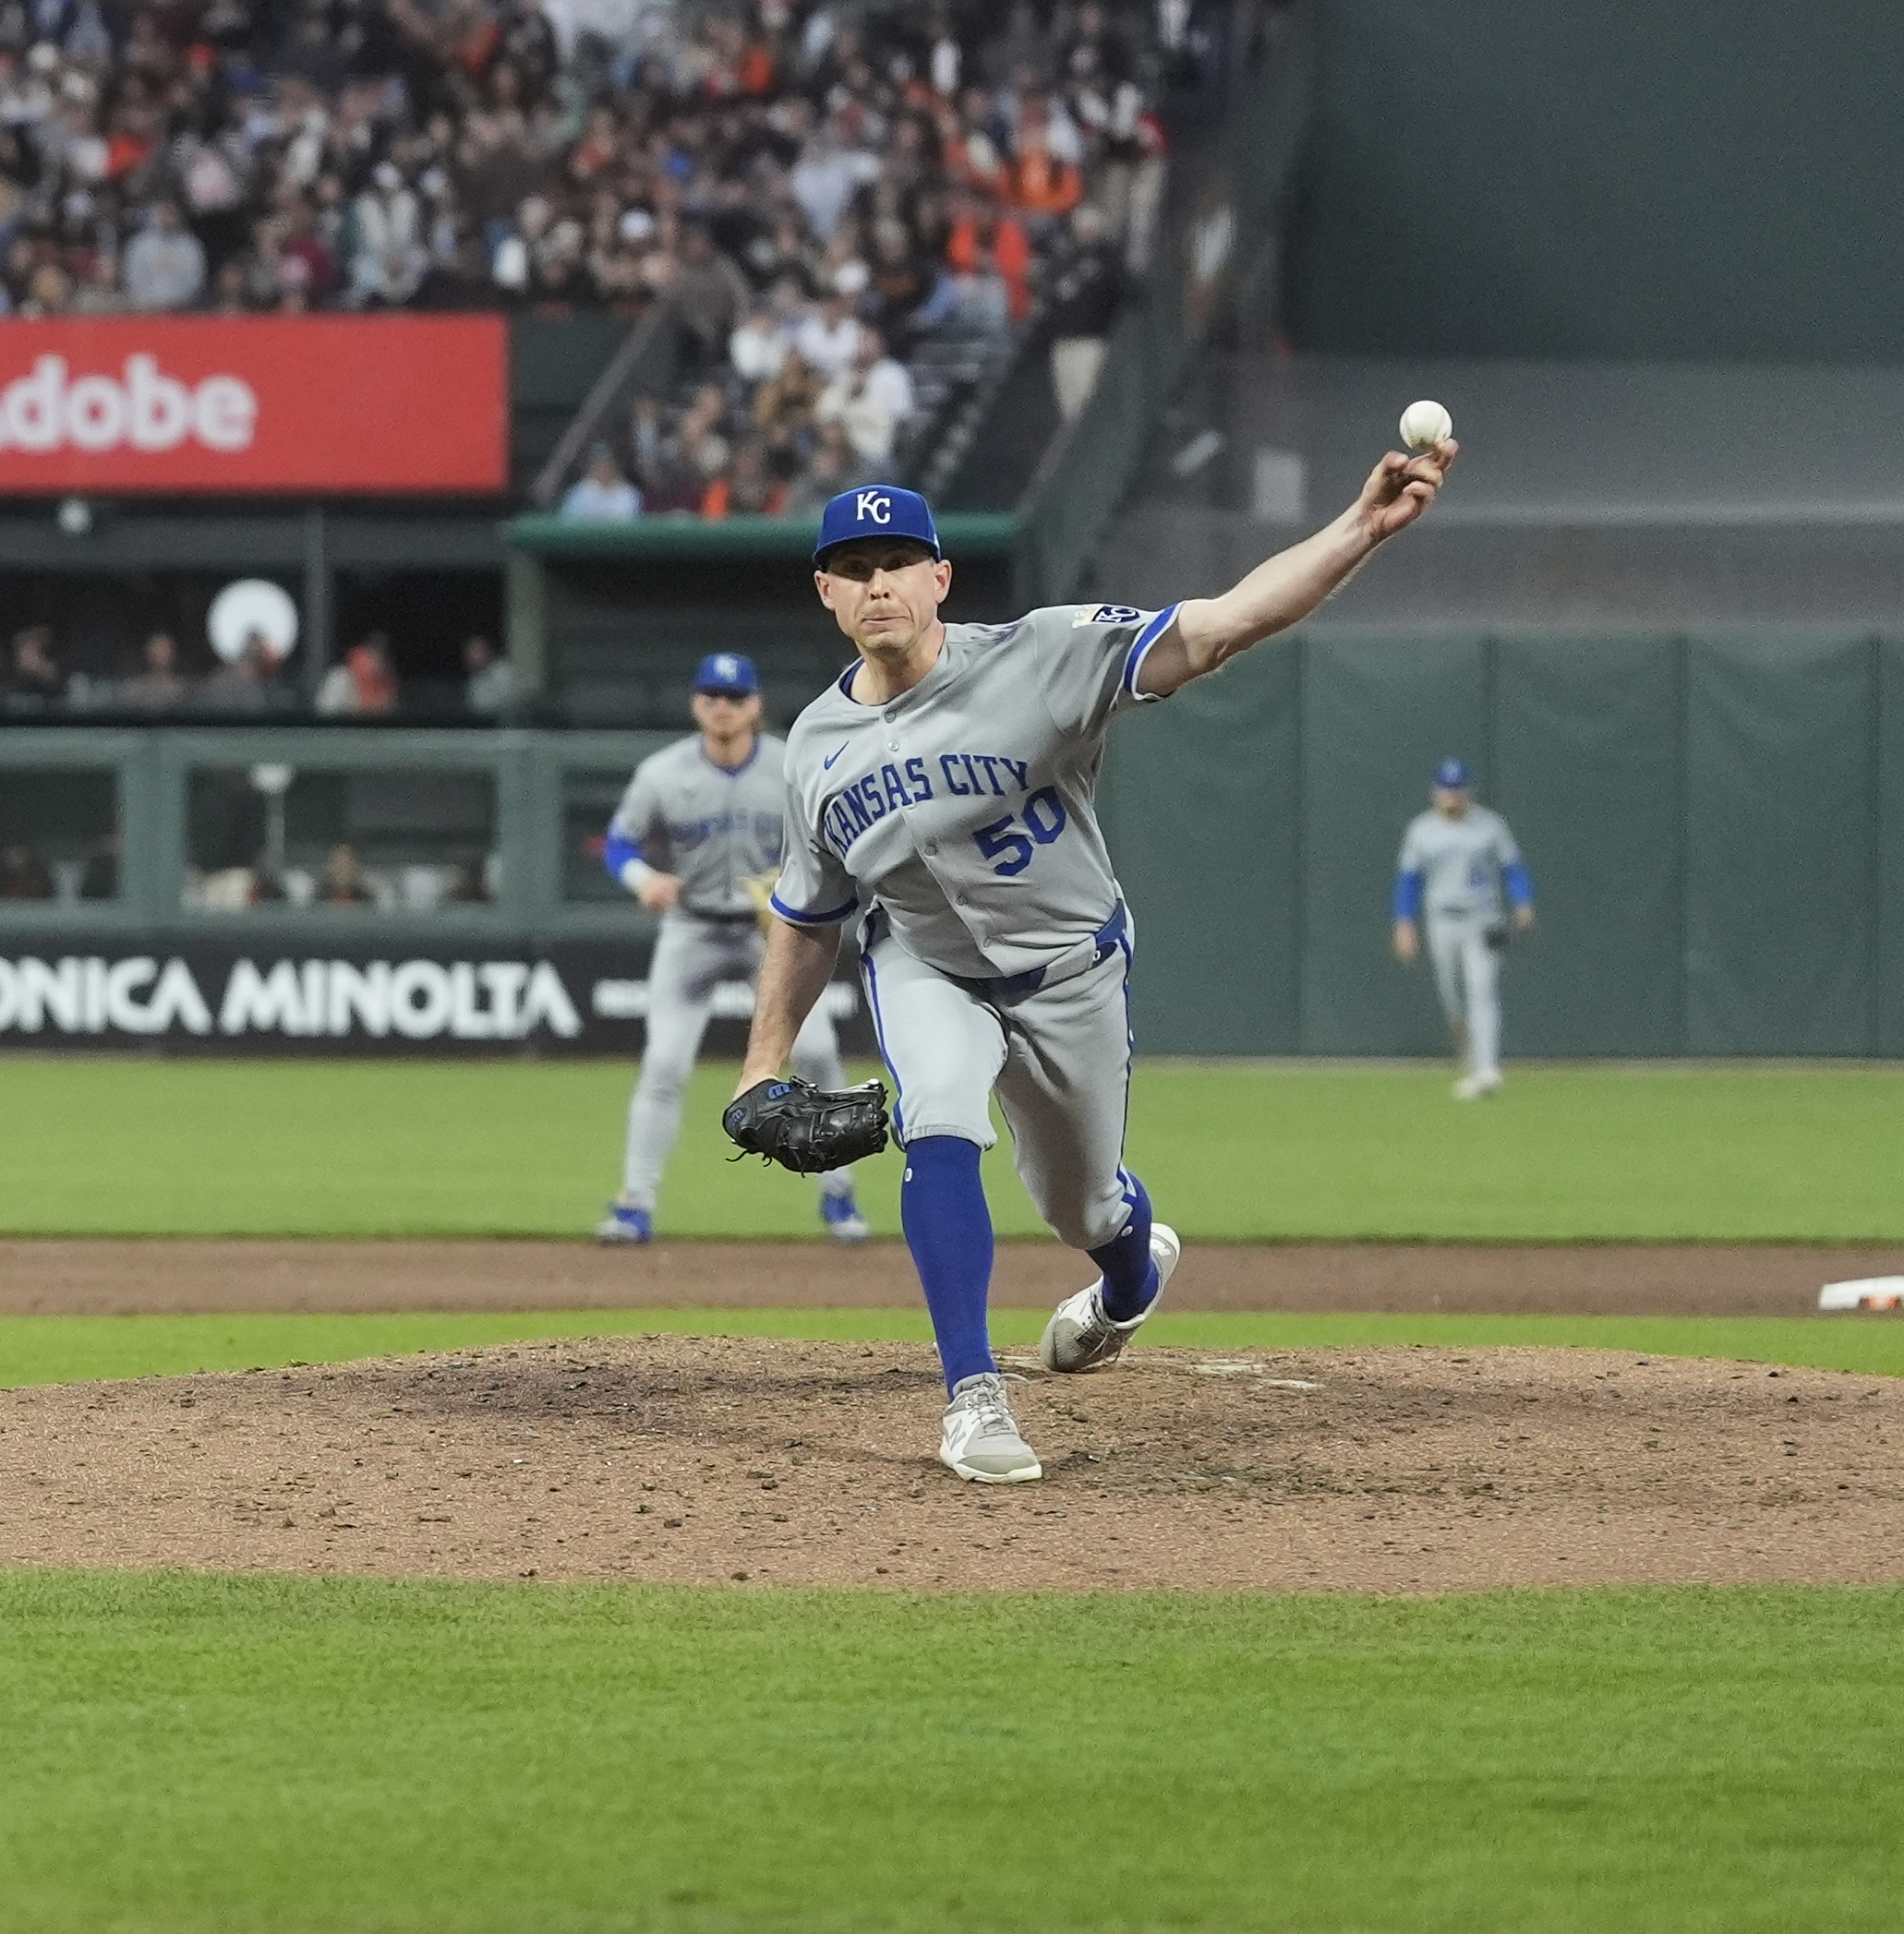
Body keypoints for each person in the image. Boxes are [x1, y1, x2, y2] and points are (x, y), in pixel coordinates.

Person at [733, 448, 1460, 1484]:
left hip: (1072, 975)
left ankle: (1127, 1281)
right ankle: (972, 1399)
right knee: (937, 1120)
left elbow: (1219, 627)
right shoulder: (814, 745)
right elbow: (808, 918)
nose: (878, 583)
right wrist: (761, 1065)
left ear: (942, 577)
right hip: (928, 967)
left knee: (1087, 1210)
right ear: (826, 592)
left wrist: (1358, 528)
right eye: (855, 567)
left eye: (900, 560)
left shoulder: (1041, 656)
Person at [596, 653, 866, 1247]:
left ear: (756, 706)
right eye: (712, 697)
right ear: (697, 705)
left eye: (735, 697)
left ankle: (839, 1194)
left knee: (817, 1051)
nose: (723, 707)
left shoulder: (790, 767)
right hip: (692, 927)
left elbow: (836, 838)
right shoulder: (662, 774)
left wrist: (795, 891)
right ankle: (634, 1203)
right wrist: (645, 880)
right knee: (664, 1064)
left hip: (774, 930)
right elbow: (619, 845)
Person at [1394, 758, 1533, 1099]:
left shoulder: (1491, 826)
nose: (1452, 796)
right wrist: (1404, 923)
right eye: (1446, 790)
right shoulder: (1420, 830)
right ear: (1435, 793)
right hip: (1442, 920)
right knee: (1452, 998)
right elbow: (1408, 881)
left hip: (1484, 919)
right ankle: (1471, 1060)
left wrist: (1523, 901)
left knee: (1481, 990)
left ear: (1468, 792)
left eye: (1458, 790)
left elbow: (1513, 868)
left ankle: (1487, 1069)